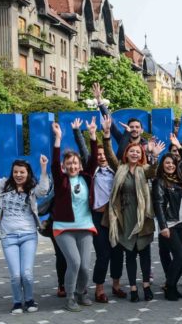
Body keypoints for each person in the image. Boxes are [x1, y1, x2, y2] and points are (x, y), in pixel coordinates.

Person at [102, 115, 165, 302]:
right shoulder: (119, 168)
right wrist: (106, 136)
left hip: (142, 217)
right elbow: (108, 155)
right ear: (127, 153)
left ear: (141, 154)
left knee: (144, 253)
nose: (135, 154)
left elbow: (154, 171)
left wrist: (154, 156)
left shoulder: (144, 168)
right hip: (125, 217)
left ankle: (146, 286)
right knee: (129, 254)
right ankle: (132, 288)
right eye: (132, 152)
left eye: (138, 152)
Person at [0, 155, 50, 314]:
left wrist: (44, 168)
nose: (18, 175)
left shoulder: (32, 188)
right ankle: (17, 302)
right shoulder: (4, 185)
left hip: (29, 235)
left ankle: (29, 300)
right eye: (16, 172)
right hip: (8, 237)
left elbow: (44, 189)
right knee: (16, 275)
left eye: (22, 172)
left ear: (27, 173)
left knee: (27, 274)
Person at [66, 117, 127, 304]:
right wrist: (78, 132)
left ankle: (116, 285)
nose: (101, 156)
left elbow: (122, 146)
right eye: (98, 154)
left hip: (116, 217)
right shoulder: (91, 172)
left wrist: (119, 133)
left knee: (118, 253)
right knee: (103, 254)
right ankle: (99, 288)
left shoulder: (117, 170)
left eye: (104, 154)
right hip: (97, 217)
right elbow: (86, 151)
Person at [51, 120, 99, 312]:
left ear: (80, 166)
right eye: (68, 163)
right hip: (64, 228)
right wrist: (58, 138)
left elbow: (94, 159)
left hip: (85, 226)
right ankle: (70, 297)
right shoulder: (60, 179)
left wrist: (93, 136)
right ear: (64, 166)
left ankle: (82, 292)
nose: (72, 166)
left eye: (75, 163)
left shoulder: (86, 177)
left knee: (85, 267)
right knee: (75, 263)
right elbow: (54, 163)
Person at [152, 152, 182, 301]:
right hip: (169, 224)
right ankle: (170, 286)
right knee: (180, 255)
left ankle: (172, 284)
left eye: (173, 163)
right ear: (162, 166)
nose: (170, 165)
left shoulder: (178, 179)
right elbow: (159, 204)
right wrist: (163, 226)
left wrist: (181, 148)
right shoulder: (160, 182)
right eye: (167, 163)